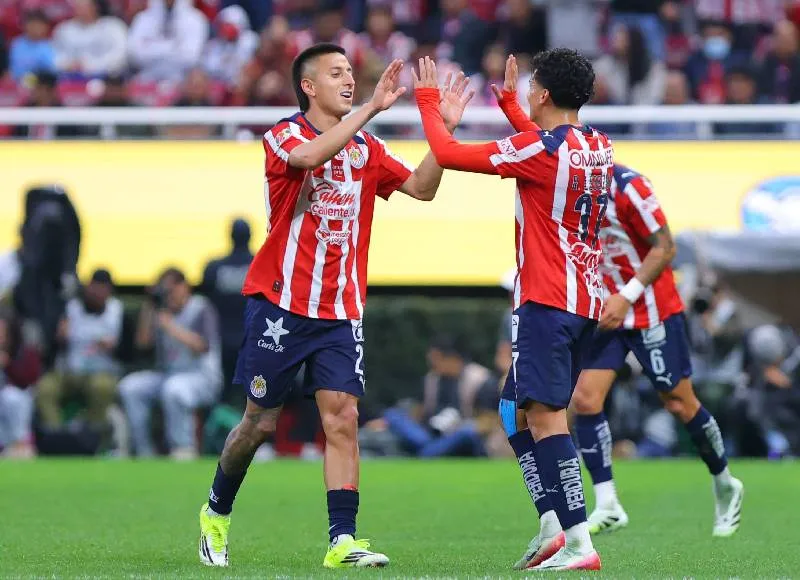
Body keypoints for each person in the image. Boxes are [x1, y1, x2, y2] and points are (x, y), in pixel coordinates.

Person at [197, 43, 473, 569]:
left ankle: (342, 541)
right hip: (281, 306)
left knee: (343, 418)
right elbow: (307, 159)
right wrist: (370, 108)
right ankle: (216, 510)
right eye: (336, 73)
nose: (348, 80)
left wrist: (442, 133)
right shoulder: (284, 135)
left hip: (341, 311)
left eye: (350, 72)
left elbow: (421, 188)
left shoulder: (366, 149)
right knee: (258, 425)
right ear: (308, 86)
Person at [414, 51, 609, 571]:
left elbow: (446, 152)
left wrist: (428, 102)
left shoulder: (538, 150)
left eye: (529, 87)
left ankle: (579, 542)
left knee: (545, 420)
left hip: (547, 301)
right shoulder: (596, 145)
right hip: (582, 299)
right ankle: (551, 524)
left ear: (542, 94)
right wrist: (508, 106)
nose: (525, 93)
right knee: (512, 410)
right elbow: (545, 148)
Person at [567, 163, 745, 537]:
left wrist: (626, 296)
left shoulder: (628, 186)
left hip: (651, 310)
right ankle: (608, 504)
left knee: (679, 403)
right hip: (606, 311)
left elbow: (666, 247)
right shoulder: (563, 184)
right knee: (585, 399)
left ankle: (725, 482)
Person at [119, 267, 222, 459]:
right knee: (130, 387)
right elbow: (142, 343)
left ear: (184, 287)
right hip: (168, 374)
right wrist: (149, 305)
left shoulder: (200, 307)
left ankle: (183, 449)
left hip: (202, 377)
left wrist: (171, 327)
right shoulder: (161, 311)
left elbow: (202, 346)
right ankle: (143, 451)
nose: (169, 295)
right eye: (164, 291)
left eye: (171, 289)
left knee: (173, 389)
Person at [36, 269, 122, 444]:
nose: (97, 293)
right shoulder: (70, 308)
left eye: (102, 289)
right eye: (94, 288)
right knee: (45, 388)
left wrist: (113, 347)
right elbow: (51, 344)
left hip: (101, 372)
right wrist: (60, 336)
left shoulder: (117, 311)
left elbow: (130, 350)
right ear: (88, 287)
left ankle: (94, 439)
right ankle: (56, 437)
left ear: (109, 291)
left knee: (101, 387)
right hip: (69, 372)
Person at [200, 218, 253, 403]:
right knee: (253, 393)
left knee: (223, 392)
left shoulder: (214, 267)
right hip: (252, 339)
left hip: (221, 338)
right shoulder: (260, 264)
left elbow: (206, 297)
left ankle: (222, 420)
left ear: (230, 236)